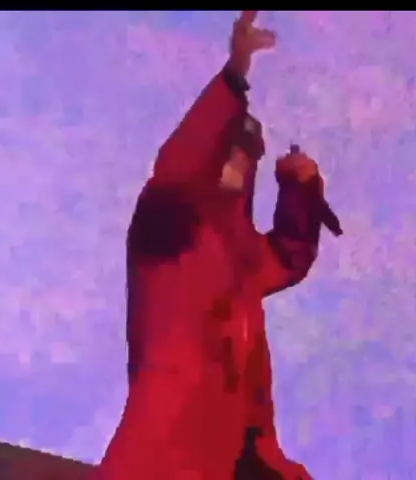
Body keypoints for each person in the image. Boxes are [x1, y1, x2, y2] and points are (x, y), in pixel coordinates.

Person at [92, 11, 324, 480]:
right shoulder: (170, 223)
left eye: (248, 155)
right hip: (168, 440)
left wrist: (301, 187)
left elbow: (288, 256)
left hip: (238, 445)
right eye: (231, 149)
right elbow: (179, 160)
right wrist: (234, 75)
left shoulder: (242, 251)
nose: (238, 163)